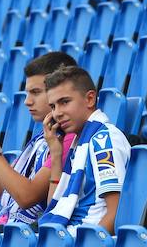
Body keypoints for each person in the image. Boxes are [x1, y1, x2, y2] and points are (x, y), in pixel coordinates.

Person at [0, 52, 79, 228]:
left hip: (25, 236)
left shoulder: (67, 140)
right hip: (9, 228)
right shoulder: (40, 139)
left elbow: (26, 197)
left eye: (36, 92)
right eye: (27, 93)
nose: (27, 101)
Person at [40, 66, 130, 234]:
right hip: (68, 237)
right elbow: (55, 207)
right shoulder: (79, 143)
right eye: (52, 106)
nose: (57, 113)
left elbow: (116, 212)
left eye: (64, 102)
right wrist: (56, 154)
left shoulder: (103, 141)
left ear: (90, 99)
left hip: (86, 243)